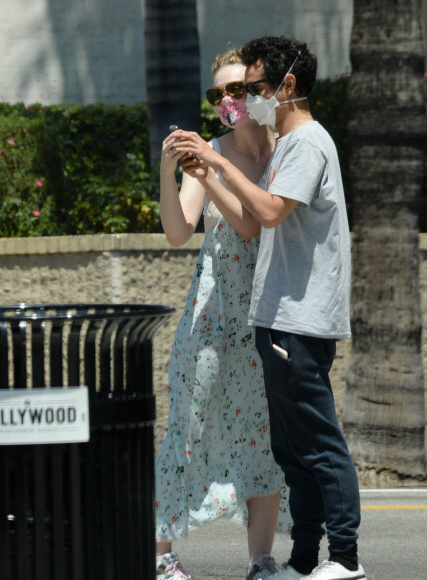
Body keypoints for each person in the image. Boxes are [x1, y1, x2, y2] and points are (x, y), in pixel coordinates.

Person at [174, 36, 366, 580]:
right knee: (292, 449)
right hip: (278, 318)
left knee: (319, 443)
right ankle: (305, 559)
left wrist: (214, 161)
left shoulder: (306, 143)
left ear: (286, 87)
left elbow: (270, 212)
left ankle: (345, 557)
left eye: (255, 88)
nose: (248, 99)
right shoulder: (287, 143)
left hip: (300, 320)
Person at [155, 48, 290, 580]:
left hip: (266, 315)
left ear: (258, 93)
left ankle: (260, 559)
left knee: (265, 435)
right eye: (218, 94)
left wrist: (211, 172)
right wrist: (171, 172)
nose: (228, 102)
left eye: (237, 90)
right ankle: (164, 554)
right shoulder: (209, 151)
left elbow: (254, 226)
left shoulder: (284, 152)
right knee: (184, 428)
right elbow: (177, 231)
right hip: (210, 316)